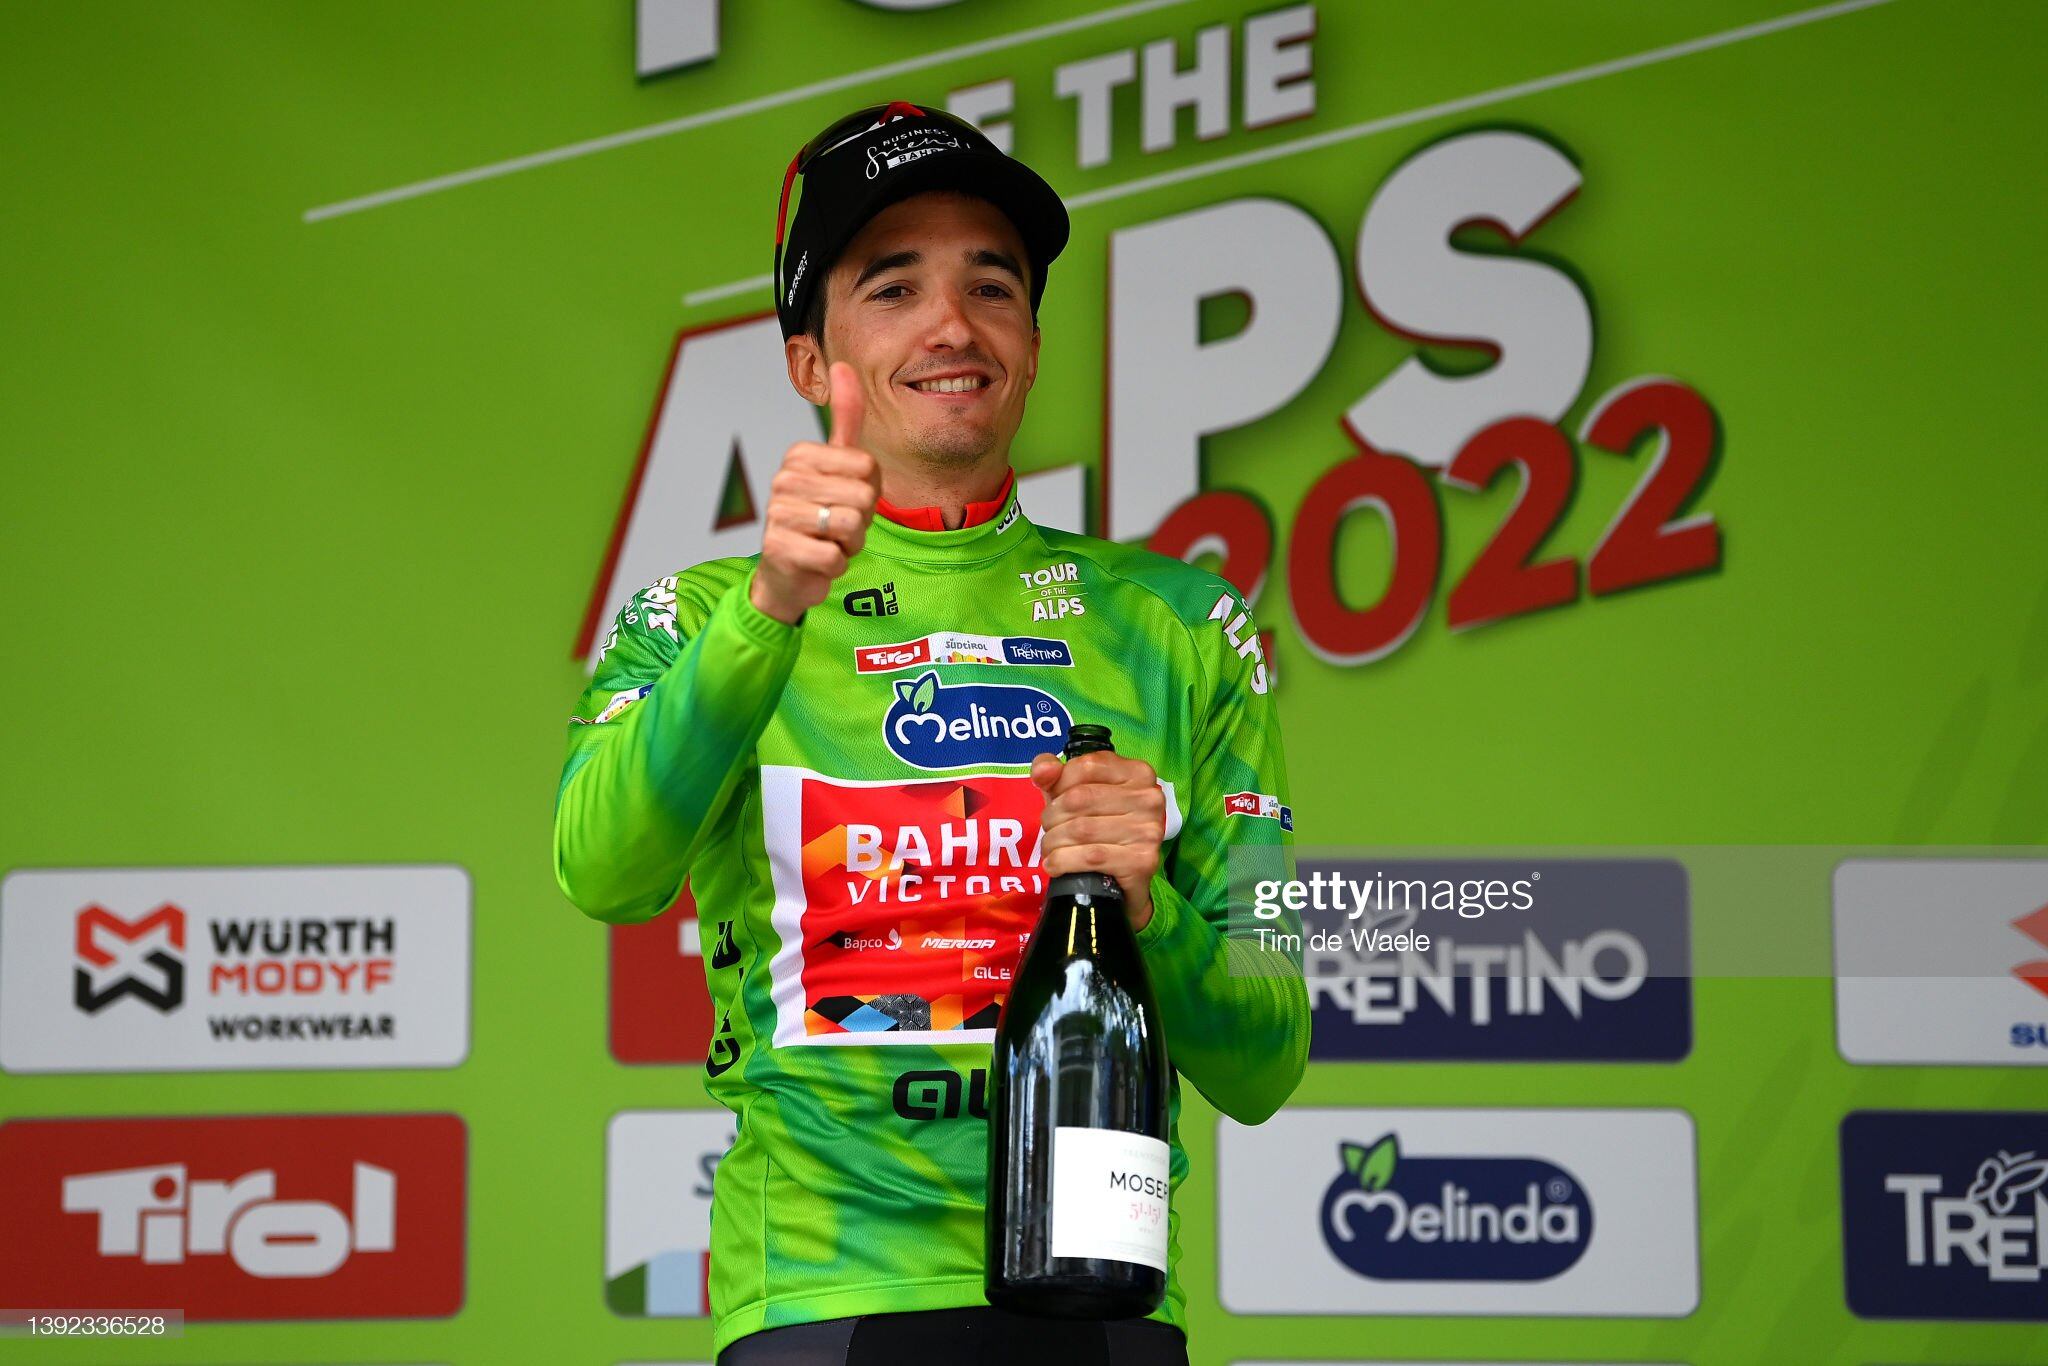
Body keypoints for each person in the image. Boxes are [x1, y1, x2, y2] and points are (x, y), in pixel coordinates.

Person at [554, 100, 1307, 1366]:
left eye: (992, 286)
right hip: (820, 1295)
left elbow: (1268, 1049)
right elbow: (602, 871)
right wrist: (769, 613)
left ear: (1029, 341)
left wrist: (1151, 906)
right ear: (811, 361)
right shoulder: (694, 615)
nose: (951, 325)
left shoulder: (1187, 625)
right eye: (892, 286)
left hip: (1102, 1295)